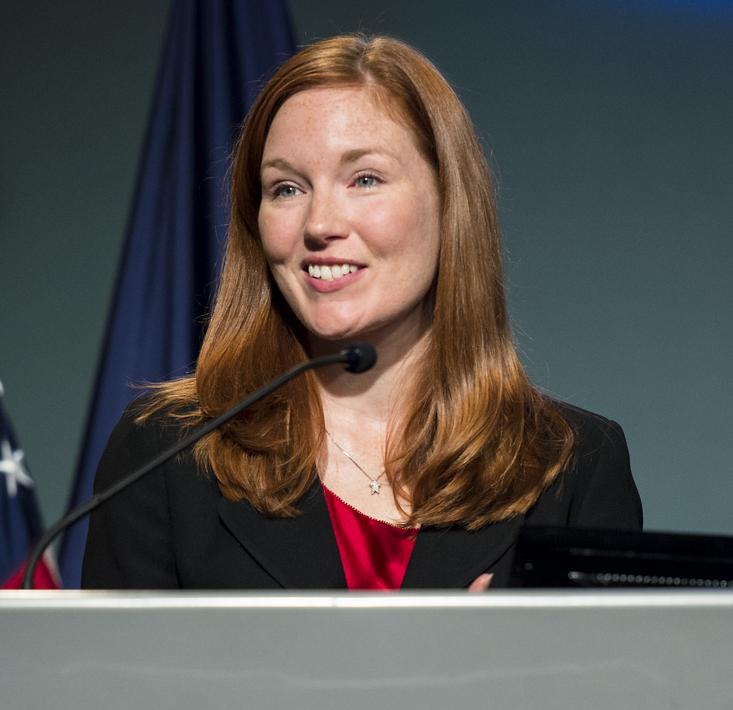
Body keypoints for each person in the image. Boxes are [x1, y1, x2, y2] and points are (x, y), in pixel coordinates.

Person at [82, 34, 641, 591]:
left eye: (364, 179)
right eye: (286, 188)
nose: (320, 223)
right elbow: (110, 680)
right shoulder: (165, 451)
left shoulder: (573, 465)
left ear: (449, 203)